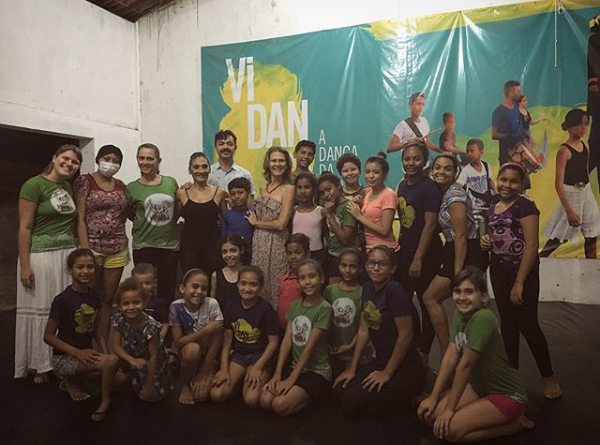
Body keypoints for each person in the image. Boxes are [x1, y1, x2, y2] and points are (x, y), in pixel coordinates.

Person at [418, 267, 533, 443]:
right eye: (457, 291)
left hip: (506, 395)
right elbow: (450, 357)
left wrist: (449, 410)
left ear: (483, 297)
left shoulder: (483, 318)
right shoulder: (459, 314)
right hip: (479, 387)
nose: (462, 297)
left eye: (469, 292)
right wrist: (433, 397)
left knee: (450, 431)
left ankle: (515, 425)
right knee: (429, 416)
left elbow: (465, 366)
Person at [481, 163, 561, 399]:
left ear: (522, 184)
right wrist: (486, 241)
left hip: (523, 273)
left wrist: (520, 282)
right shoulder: (492, 208)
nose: (507, 185)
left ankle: (548, 378)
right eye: (503, 179)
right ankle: (511, 376)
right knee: (507, 324)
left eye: (513, 181)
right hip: (498, 271)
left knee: (528, 324)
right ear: (497, 180)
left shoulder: (526, 206)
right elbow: (493, 238)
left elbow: (531, 246)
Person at [16, 144, 81, 383]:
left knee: (63, 310)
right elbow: (24, 227)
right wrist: (25, 265)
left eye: (75, 162)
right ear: (54, 158)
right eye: (65, 158)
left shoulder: (67, 187)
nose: (69, 164)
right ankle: (40, 364)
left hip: (66, 255)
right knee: (42, 309)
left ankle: (61, 361)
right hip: (41, 257)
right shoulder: (33, 185)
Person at [335, 246, 425, 417]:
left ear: (392, 268)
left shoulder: (394, 290)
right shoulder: (367, 288)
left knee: (351, 403)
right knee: (340, 389)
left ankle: (410, 400)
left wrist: (386, 373)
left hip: (405, 368)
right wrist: (352, 367)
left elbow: (406, 335)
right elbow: (364, 329)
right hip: (381, 361)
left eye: (382, 264)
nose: (376, 268)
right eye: (372, 263)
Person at [43, 249, 120, 421]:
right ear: (70, 270)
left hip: (85, 357)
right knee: (112, 363)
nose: (85, 271)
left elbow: (97, 330)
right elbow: (48, 336)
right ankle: (105, 402)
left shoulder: (93, 296)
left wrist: (105, 352)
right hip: (64, 359)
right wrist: (77, 352)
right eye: (80, 267)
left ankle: (71, 381)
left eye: (90, 267)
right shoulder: (62, 300)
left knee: (119, 376)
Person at [424, 155, 488, 356]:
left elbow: (460, 235)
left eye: (447, 169)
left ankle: (451, 352)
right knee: (459, 305)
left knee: (431, 298)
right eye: (437, 167)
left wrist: (458, 272)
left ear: (455, 173)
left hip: (468, 251)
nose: (441, 172)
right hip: (455, 249)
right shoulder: (442, 194)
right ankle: (454, 353)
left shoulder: (455, 195)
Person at [260, 259, 333, 416]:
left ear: (321, 278)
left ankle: (316, 395)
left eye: (312, 276)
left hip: (316, 371)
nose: (307, 282)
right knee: (265, 400)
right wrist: (277, 374)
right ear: (298, 282)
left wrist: (291, 380)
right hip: (296, 366)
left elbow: (309, 348)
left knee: (279, 405)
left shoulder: (325, 308)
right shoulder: (294, 306)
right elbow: (287, 341)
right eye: (302, 278)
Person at [74, 144, 128, 349]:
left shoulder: (121, 186)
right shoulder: (84, 181)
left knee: (107, 298)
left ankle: (102, 341)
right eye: (107, 159)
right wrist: (85, 251)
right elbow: (80, 218)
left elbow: (125, 213)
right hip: (93, 247)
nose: (110, 164)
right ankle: (84, 343)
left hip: (118, 248)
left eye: (116, 161)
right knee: (90, 297)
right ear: (98, 160)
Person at [396, 142, 443, 361]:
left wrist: (418, 258)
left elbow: (430, 224)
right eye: (407, 159)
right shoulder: (402, 185)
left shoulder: (429, 187)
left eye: (416, 159)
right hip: (405, 253)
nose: (411, 163)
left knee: (426, 304)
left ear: (424, 161)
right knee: (403, 302)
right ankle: (412, 347)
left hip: (426, 256)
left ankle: (424, 353)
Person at [211, 266, 280, 407]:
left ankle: (260, 376)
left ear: (260, 287)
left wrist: (258, 367)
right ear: (237, 284)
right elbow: (227, 340)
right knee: (216, 394)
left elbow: (273, 342)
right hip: (238, 355)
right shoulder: (231, 305)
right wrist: (224, 368)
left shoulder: (266, 310)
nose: (247, 288)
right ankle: (238, 383)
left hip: (258, 356)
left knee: (251, 400)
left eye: (253, 285)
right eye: (243, 283)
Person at [541, 109, 600, 258]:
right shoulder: (564, 150)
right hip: (571, 193)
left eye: (586, 124)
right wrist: (569, 211)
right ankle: (539, 260)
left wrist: (588, 191)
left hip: (586, 191)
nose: (583, 128)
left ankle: (591, 266)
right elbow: (558, 183)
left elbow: (585, 171)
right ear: (569, 126)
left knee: (592, 233)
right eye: (579, 124)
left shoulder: (585, 145)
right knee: (561, 235)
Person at [126, 143, 180, 303]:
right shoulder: (131, 188)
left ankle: (165, 319)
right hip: (143, 244)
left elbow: (178, 206)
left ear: (158, 161)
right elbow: (127, 210)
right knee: (142, 290)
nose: (145, 162)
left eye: (150, 158)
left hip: (169, 245)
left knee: (167, 290)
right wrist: (135, 219)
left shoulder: (170, 182)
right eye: (141, 158)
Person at [247, 146, 295, 309]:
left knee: (276, 285)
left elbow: (281, 223)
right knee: (259, 283)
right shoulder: (262, 188)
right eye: (274, 160)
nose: (277, 164)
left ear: (287, 164)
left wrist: (256, 223)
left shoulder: (289, 189)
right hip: (259, 242)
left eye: (281, 161)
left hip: (277, 243)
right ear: (268, 163)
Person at [111, 278, 173, 402]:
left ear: (144, 303)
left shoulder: (151, 326)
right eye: (126, 303)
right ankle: (127, 375)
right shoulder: (119, 319)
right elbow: (116, 346)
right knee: (115, 365)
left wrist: (148, 386)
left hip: (153, 361)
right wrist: (132, 360)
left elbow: (154, 356)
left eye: (136, 302)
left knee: (151, 397)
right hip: (133, 354)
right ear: (120, 306)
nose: (131, 307)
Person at [169, 269, 223, 404]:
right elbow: (178, 342)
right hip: (189, 353)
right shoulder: (175, 307)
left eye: (204, 288)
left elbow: (217, 341)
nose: (199, 291)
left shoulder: (212, 304)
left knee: (201, 396)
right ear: (182, 288)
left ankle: (209, 368)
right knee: (193, 349)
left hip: (209, 355)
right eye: (194, 286)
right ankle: (185, 384)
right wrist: (206, 330)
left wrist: (203, 372)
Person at [177, 152, 227, 276]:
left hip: (213, 247)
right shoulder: (181, 193)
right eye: (196, 167)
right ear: (190, 170)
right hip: (189, 248)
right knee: (190, 280)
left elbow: (226, 221)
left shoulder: (219, 193)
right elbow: (173, 219)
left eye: (204, 166)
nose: (201, 171)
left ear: (210, 169)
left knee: (212, 282)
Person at [323, 248, 368, 378]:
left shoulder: (363, 293)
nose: (347, 270)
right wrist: (326, 343)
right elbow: (324, 321)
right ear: (338, 266)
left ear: (360, 268)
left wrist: (350, 346)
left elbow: (363, 327)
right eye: (344, 265)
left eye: (353, 266)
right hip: (331, 351)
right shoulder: (329, 291)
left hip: (353, 352)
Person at [347, 153, 398, 253]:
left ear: (384, 174)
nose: (371, 176)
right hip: (369, 249)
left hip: (385, 250)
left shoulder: (389, 194)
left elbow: (384, 230)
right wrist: (359, 204)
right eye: (367, 172)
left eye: (376, 172)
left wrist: (359, 216)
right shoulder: (368, 192)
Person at [318, 173, 358, 284]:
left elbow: (345, 239)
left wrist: (329, 215)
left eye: (328, 189)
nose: (326, 194)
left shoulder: (348, 207)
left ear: (339, 186)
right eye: (322, 192)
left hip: (347, 257)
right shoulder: (330, 206)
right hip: (332, 255)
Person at [208, 130, 255, 201]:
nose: (225, 147)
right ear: (215, 147)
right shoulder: (208, 173)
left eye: (230, 144)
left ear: (235, 147)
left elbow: (250, 203)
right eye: (221, 144)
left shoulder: (245, 174)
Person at [276, 234, 311, 328]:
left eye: (297, 252)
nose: (293, 257)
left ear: (307, 254)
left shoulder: (308, 282)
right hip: (282, 328)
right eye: (289, 253)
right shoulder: (283, 279)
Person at [292, 173, 326, 269]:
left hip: (316, 254)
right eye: (299, 187)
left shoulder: (321, 211)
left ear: (314, 189)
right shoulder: (292, 211)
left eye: (307, 187)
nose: (303, 191)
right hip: (296, 254)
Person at [491, 80, 528, 165]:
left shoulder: (518, 107)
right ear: (510, 93)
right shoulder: (498, 111)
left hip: (520, 151)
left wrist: (528, 138)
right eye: (518, 92)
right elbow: (494, 135)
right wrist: (509, 136)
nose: (520, 94)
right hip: (506, 154)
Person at [456, 139, 497, 212]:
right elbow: (458, 185)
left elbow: (489, 180)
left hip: (487, 204)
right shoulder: (466, 170)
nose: (469, 154)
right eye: (467, 151)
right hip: (474, 207)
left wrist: (496, 191)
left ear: (481, 152)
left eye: (472, 151)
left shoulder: (486, 165)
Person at [221, 177, 254, 264]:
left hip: (250, 254)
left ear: (248, 193)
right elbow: (224, 236)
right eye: (233, 194)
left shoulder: (253, 214)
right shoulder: (227, 215)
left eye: (240, 192)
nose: (237, 197)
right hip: (232, 255)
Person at [131, 263, 169, 336]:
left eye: (147, 283)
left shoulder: (159, 303)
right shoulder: (129, 303)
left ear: (154, 283)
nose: (143, 287)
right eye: (139, 284)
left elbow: (165, 322)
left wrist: (160, 337)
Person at [211, 234, 244, 310]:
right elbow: (212, 303)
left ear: (242, 250)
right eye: (224, 252)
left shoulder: (249, 273)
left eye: (233, 250)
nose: (228, 255)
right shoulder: (216, 275)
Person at [587, 14, 600, 188]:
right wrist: (594, 82)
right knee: (596, 140)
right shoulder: (595, 39)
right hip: (598, 97)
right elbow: (593, 63)